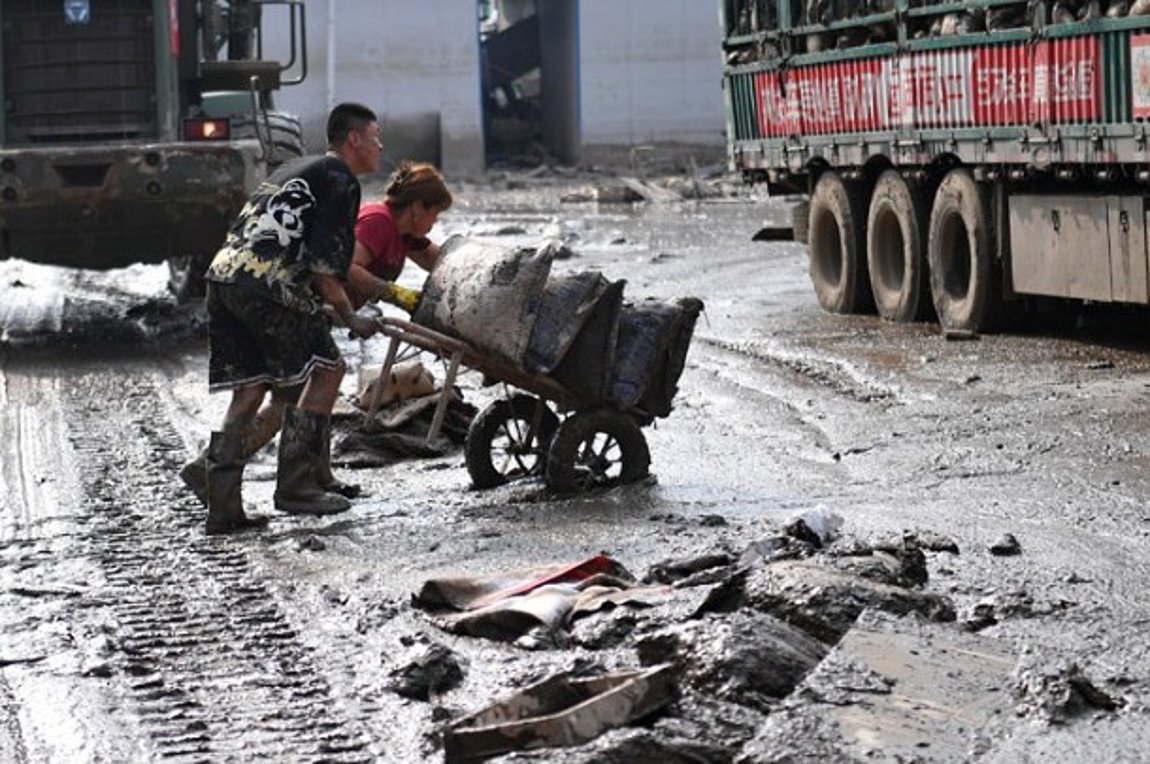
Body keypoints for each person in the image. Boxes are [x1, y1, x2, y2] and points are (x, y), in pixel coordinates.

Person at [183, 101, 382, 535]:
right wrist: (351, 317)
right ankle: (297, 488)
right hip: (267, 284)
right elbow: (325, 270)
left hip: (224, 278)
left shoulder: (295, 168)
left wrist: (324, 304)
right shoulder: (340, 179)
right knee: (328, 368)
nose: (379, 147)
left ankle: (223, 506)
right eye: (375, 138)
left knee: (251, 389)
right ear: (353, 140)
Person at [345, 160, 454, 311]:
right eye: (435, 213)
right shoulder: (379, 222)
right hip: (316, 306)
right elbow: (348, 266)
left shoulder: (404, 234)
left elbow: (435, 260)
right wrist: (393, 293)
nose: (435, 221)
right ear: (417, 207)